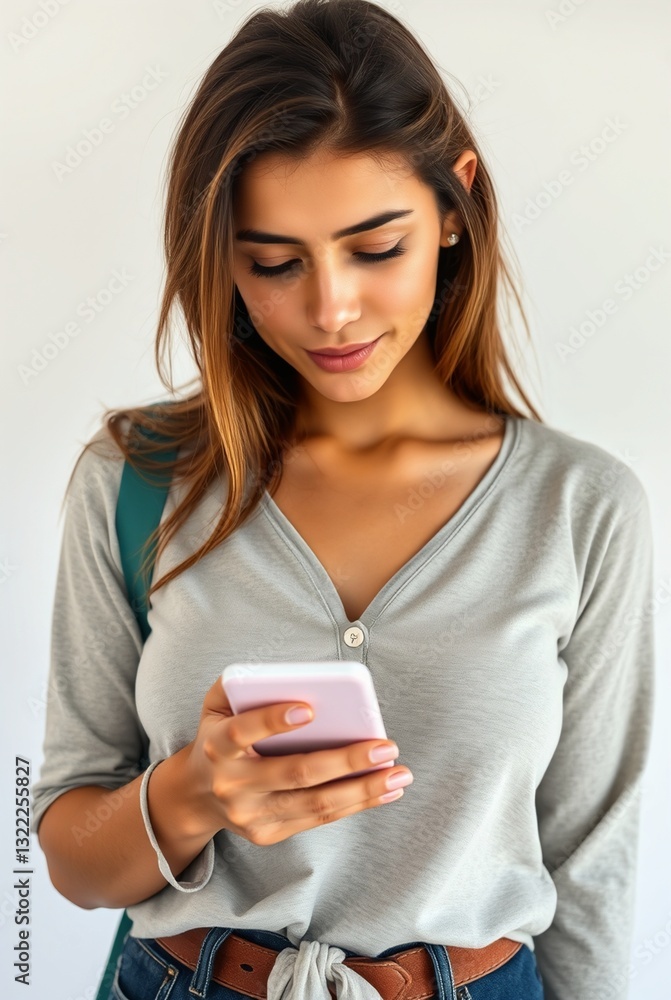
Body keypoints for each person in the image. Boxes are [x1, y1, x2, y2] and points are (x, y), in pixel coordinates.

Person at [31, 1, 655, 998]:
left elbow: (592, 866)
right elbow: (63, 856)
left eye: (374, 248)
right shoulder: (133, 480)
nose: (329, 310)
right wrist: (192, 791)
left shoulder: (582, 509)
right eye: (272, 263)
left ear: (455, 204)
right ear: (219, 258)